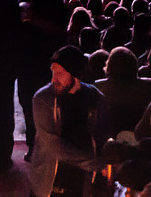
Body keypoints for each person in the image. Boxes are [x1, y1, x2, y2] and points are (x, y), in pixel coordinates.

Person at [30, 45, 107, 197]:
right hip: (49, 180)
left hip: (81, 182)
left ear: (76, 74)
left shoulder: (95, 98)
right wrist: (93, 163)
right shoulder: (43, 99)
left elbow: (103, 135)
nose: (53, 79)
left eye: (60, 73)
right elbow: (52, 145)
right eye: (53, 72)